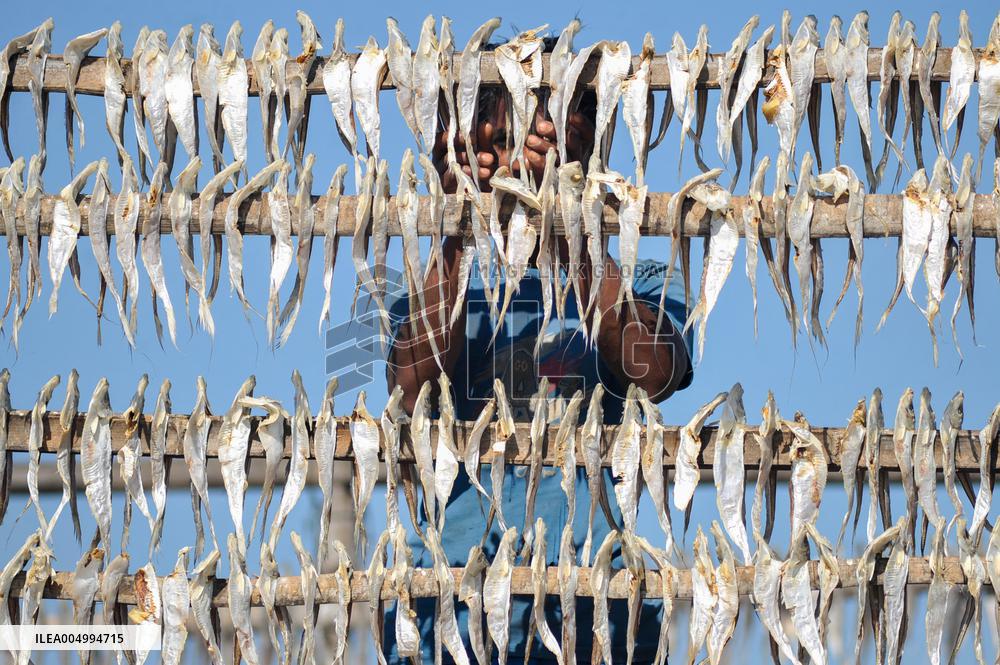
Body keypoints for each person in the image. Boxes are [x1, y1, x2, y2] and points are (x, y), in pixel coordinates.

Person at [383, 46, 693, 665]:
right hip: (452, 605)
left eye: (562, 123)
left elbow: (652, 370)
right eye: (512, 122)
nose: (534, 146)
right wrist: (461, 225)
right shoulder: (442, 285)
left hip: (594, 602)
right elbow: (409, 393)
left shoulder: (640, 278)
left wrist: (566, 227)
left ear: (594, 140)